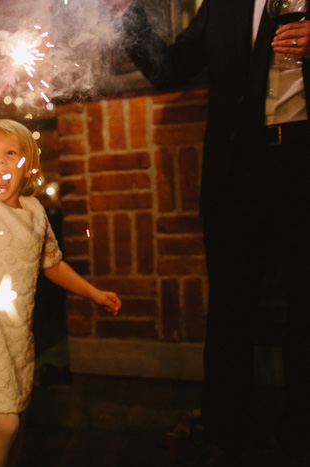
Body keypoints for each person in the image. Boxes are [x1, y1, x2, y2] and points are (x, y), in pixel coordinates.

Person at [107, 0, 310, 463]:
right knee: (230, 305)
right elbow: (170, 68)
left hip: (304, 159)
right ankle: (226, 433)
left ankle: (301, 435)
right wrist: (127, 16)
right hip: (238, 167)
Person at [0, 119, 121, 466]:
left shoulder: (35, 212)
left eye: (10, 153)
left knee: (18, 419)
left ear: (27, 164)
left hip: (17, 335)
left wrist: (93, 292)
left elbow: (51, 263)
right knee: (4, 425)